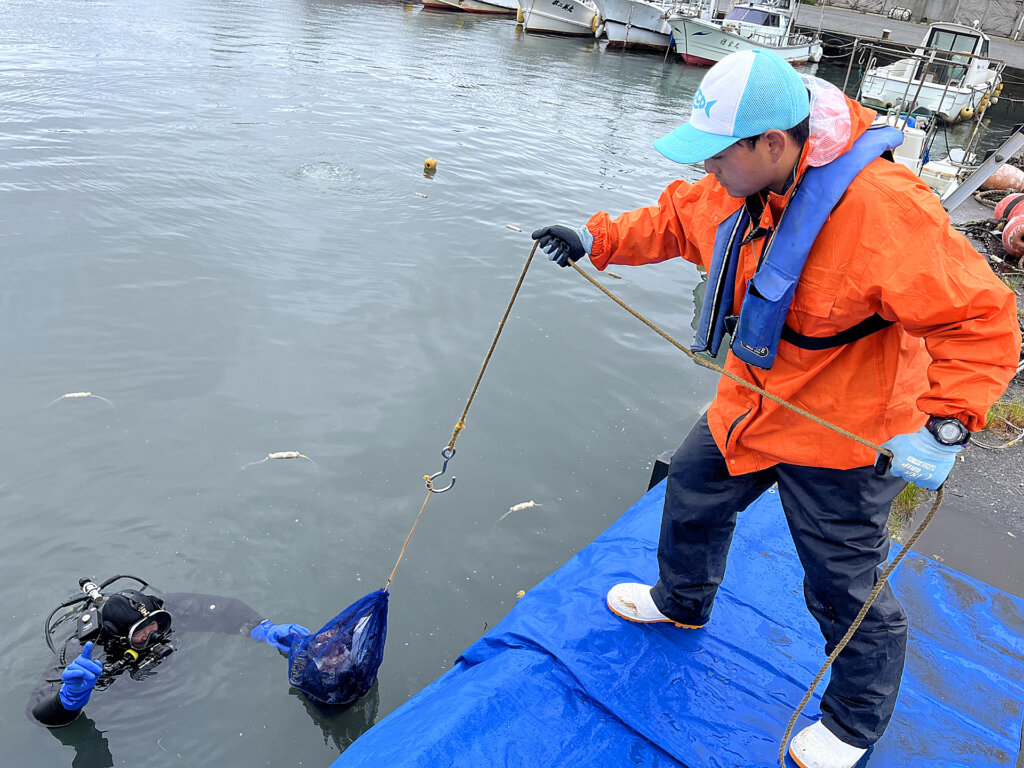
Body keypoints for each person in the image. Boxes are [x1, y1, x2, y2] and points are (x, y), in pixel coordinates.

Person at [532, 49, 1021, 768]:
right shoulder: (739, 185)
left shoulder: (885, 211)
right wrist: (594, 239)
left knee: (842, 584)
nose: (708, 170)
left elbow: (981, 320)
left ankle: (853, 723)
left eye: (717, 155)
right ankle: (682, 599)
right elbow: (670, 221)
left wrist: (948, 422)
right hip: (752, 405)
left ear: (771, 143)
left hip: (846, 432)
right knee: (692, 494)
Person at [29, 579, 309, 730]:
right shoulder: (85, 652)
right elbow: (37, 712)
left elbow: (221, 610)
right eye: (142, 632)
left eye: (157, 624)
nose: (155, 634)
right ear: (119, 637)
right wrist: (68, 700)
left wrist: (263, 628)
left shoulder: (164, 613)